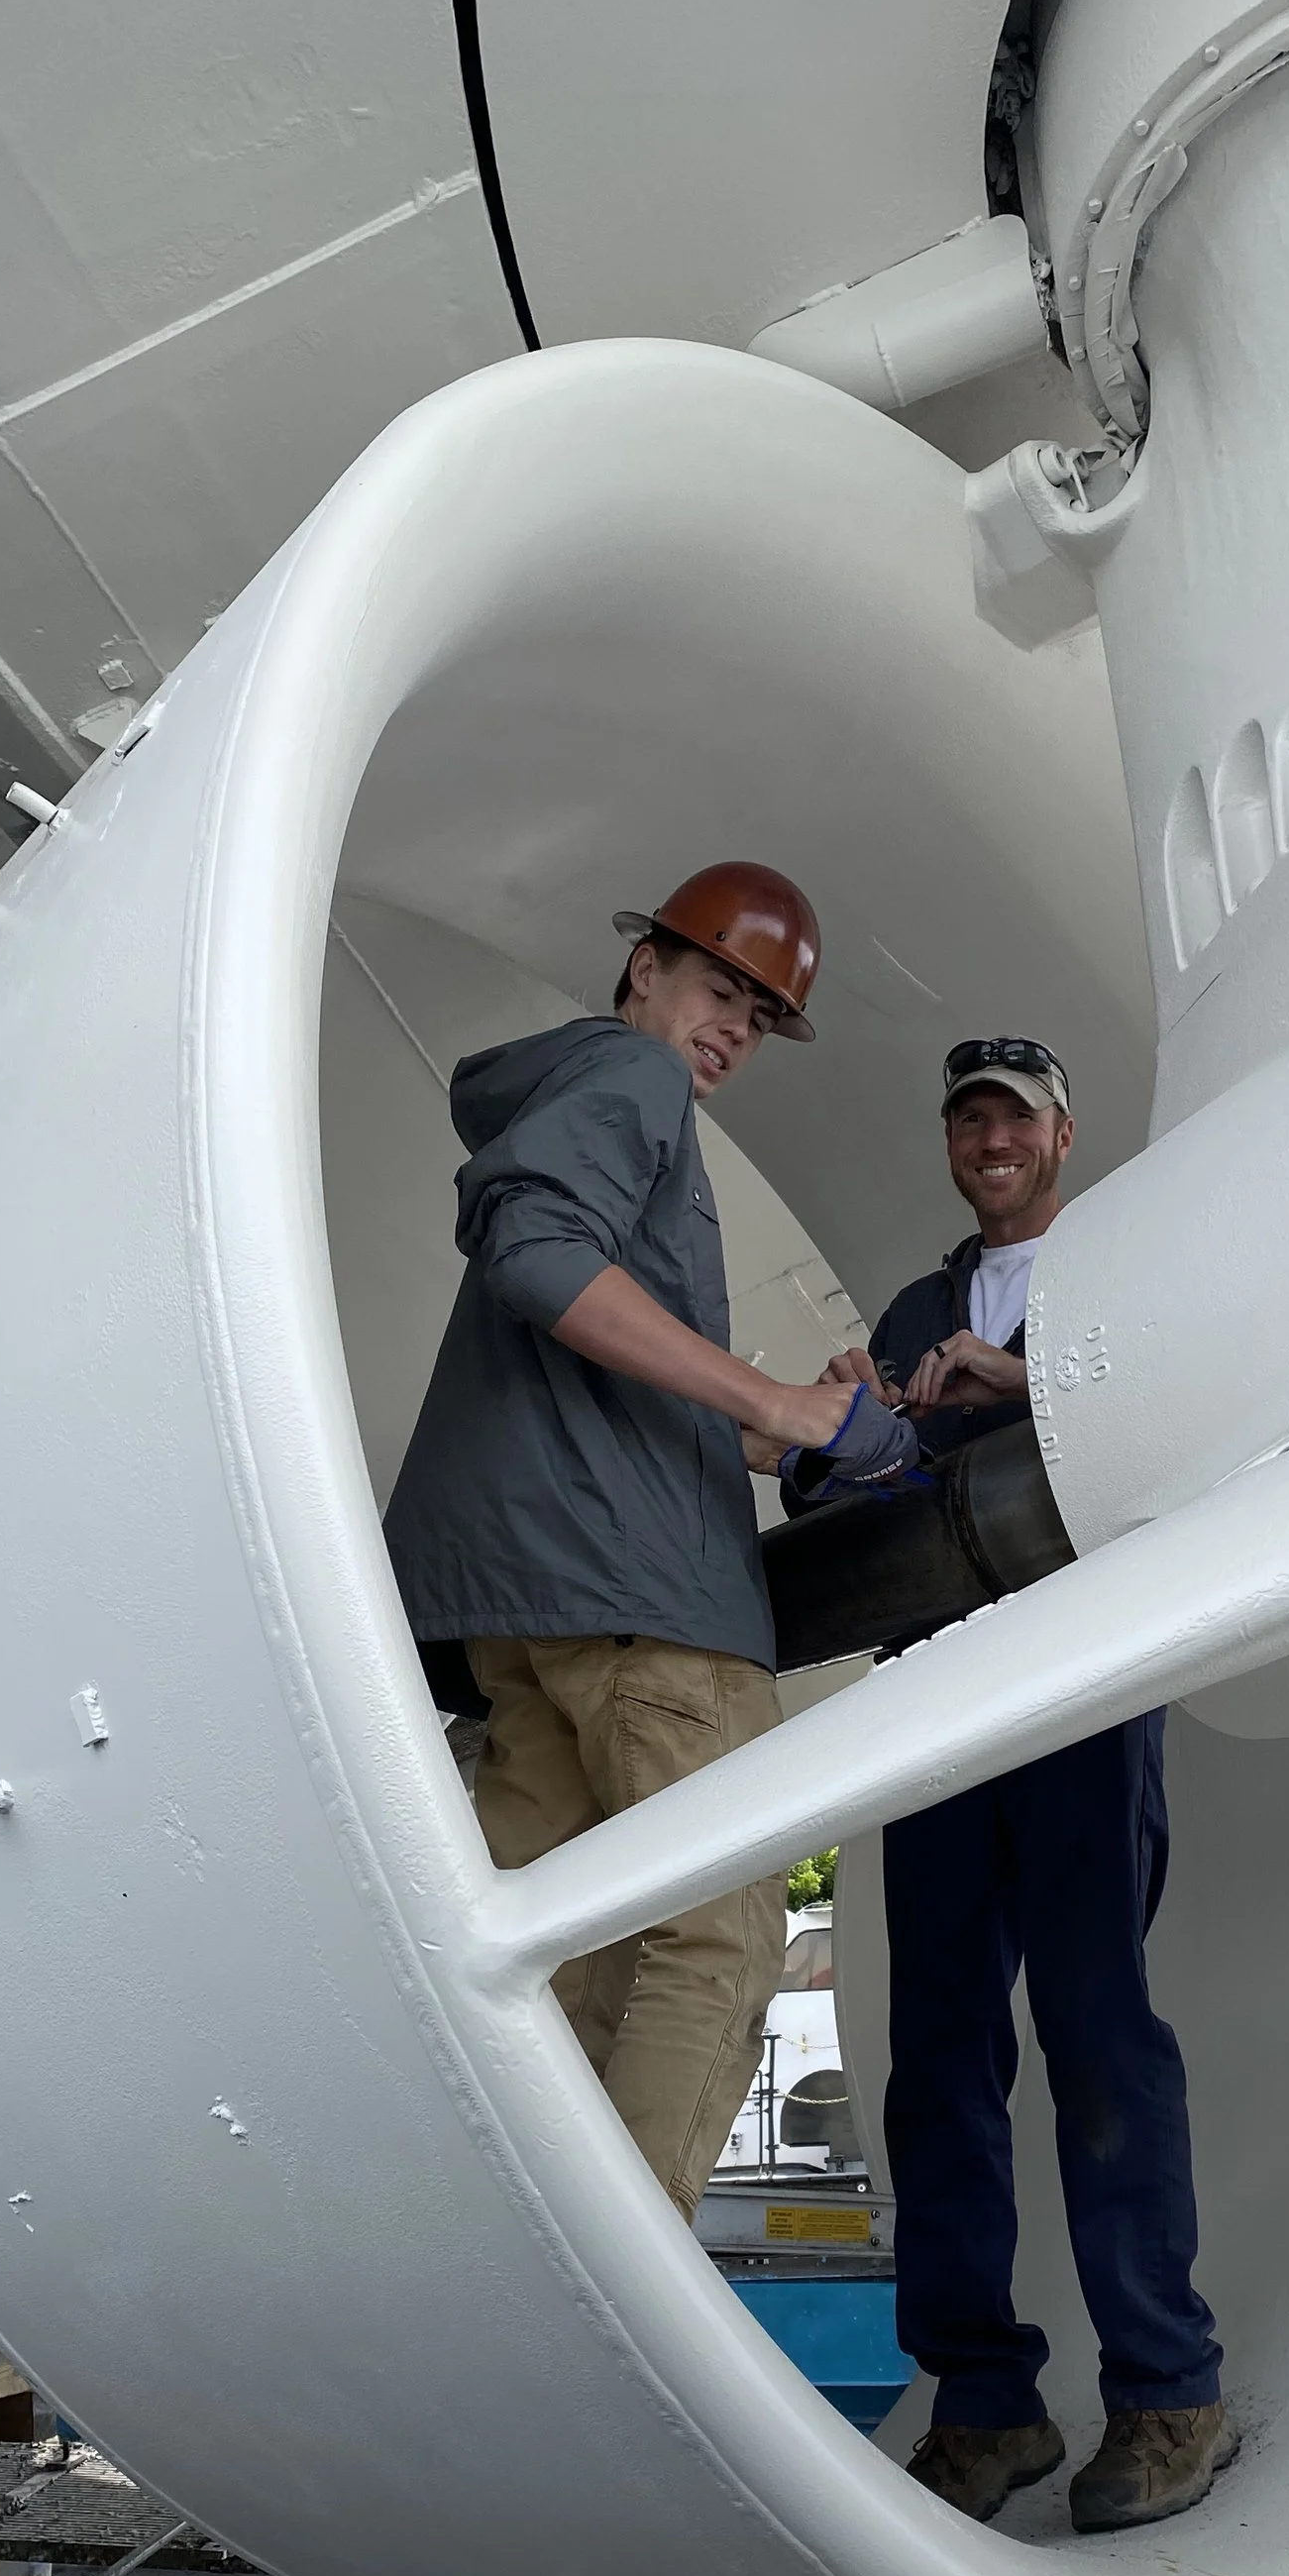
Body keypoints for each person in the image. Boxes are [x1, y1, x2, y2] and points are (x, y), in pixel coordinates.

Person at [383, 863, 914, 2216]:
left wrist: (784, 1433)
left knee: (540, 1966)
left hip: (538, 1612)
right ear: (644, 971)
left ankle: (483, 2264)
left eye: (759, 1017)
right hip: (646, 1616)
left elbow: (590, 1346)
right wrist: (775, 1397)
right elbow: (541, 1260)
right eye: (720, 988)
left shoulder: (578, 1094)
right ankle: (613, 2323)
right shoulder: (633, 1082)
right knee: (719, 1943)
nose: (732, 1028)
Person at [785, 1038, 1232, 2532]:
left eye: (1015, 1120)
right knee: (940, 2058)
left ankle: (1170, 2394)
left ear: (1062, 1135)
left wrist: (1021, 1381)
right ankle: (984, 2406)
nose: (990, 1140)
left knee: (1098, 2031)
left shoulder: (1123, 1279)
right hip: (939, 1704)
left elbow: (1192, 1436)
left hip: (1080, 1695)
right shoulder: (915, 1307)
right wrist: (846, 1415)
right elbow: (825, 1482)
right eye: (968, 1117)